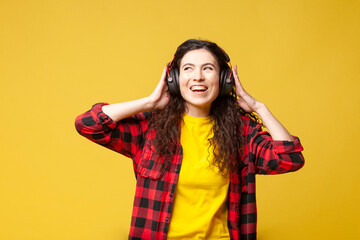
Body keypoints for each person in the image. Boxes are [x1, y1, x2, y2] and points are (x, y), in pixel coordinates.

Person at [74, 39, 305, 240]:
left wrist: (259, 107)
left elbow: (290, 158)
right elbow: (88, 124)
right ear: (173, 79)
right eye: (188, 68)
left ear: (224, 79)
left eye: (208, 68)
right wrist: (149, 102)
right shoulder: (150, 128)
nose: (198, 77)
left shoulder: (241, 131)